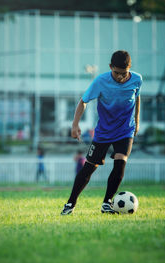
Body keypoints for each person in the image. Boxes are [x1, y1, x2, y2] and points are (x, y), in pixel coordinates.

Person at [61, 50, 142, 215]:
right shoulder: (100, 81)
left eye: (124, 73)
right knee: (89, 168)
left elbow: (137, 97)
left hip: (126, 129)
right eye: (117, 73)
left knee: (120, 162)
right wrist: (75, 124)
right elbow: (83, 101)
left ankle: (107, 203)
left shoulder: (137, 79)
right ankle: (70, 204)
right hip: (104, 132)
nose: (120, 77)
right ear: (110, 67)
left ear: (130, 68)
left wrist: (137, 120)